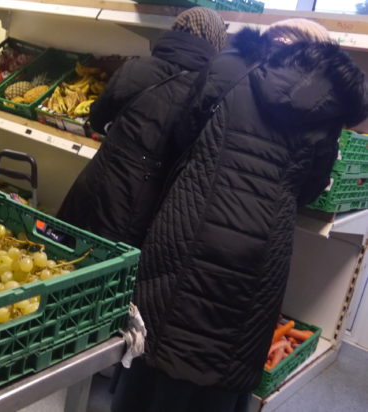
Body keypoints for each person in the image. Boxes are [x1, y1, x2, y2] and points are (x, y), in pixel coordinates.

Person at [113, 19, 368, 412]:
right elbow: (313, 186)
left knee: (161, 338)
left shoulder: (229, 68)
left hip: (189, 224)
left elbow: (185, 133)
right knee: (229, 351)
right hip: (261, 248)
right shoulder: (329, 106)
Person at [56, 7, 228, 248]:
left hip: (96, 179)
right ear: (216, 43)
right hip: (138, 201)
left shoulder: (136, 67)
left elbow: (96, 119)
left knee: (60, 256)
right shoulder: (207, 92)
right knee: (105, 271)